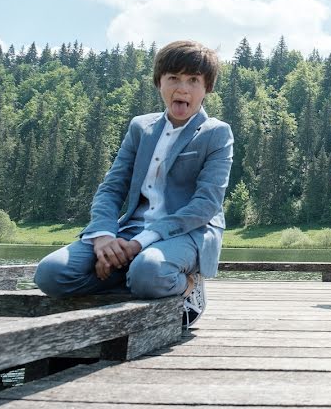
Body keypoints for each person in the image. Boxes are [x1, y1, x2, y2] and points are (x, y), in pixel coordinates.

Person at [34, 40, 234, 328]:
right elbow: (112, 188)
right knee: (51, 274)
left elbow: (205, 205)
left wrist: (138, 244)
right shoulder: (141, 127)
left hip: (189, 233)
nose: (182, 88)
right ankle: (133, 273)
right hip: (130, 230)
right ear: (159, 82)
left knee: (150, 272)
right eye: (173, 78)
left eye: (193, 80)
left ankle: (188, 282)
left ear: (207, 88)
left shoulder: (217, 133)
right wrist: (103, 236)